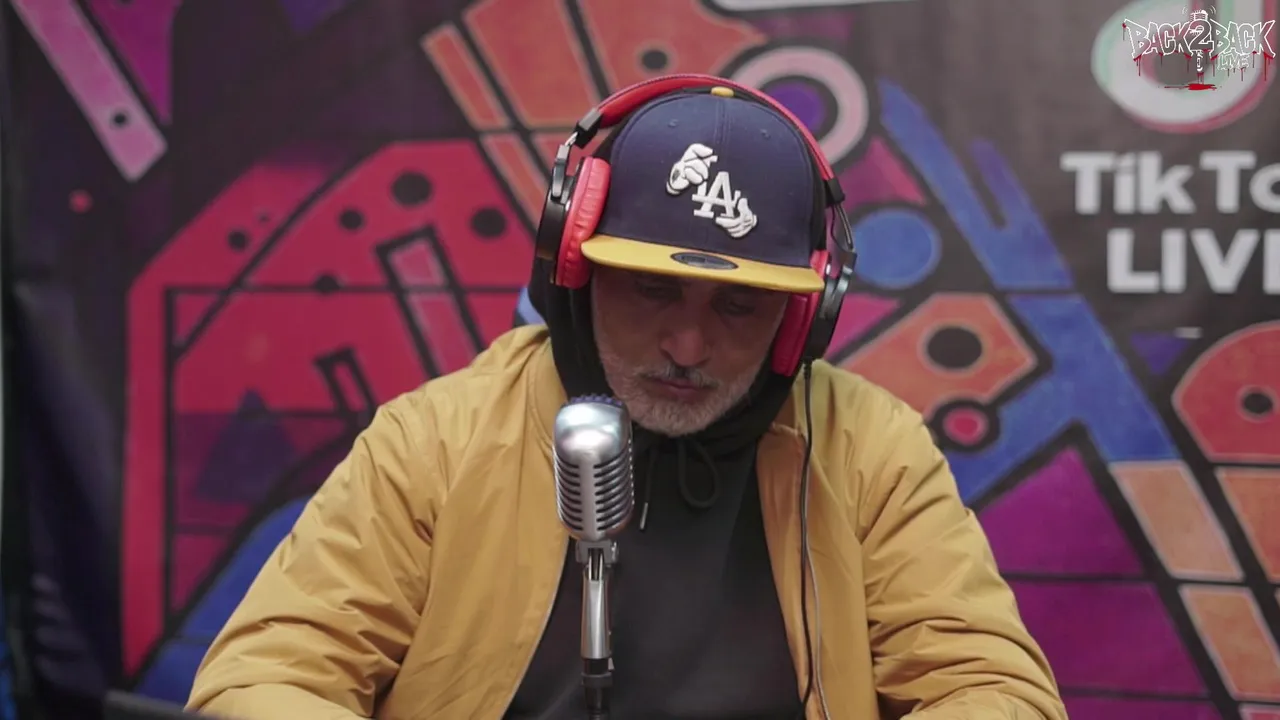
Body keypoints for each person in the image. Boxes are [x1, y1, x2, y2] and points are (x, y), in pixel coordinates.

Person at [186, 75, 1067, 720]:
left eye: (738, 305)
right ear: (573, 268)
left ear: (805, 316)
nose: (688, 347)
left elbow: (990, 685)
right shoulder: (436, 441)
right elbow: (268, 677)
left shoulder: (871, 450)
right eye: (651, 289)